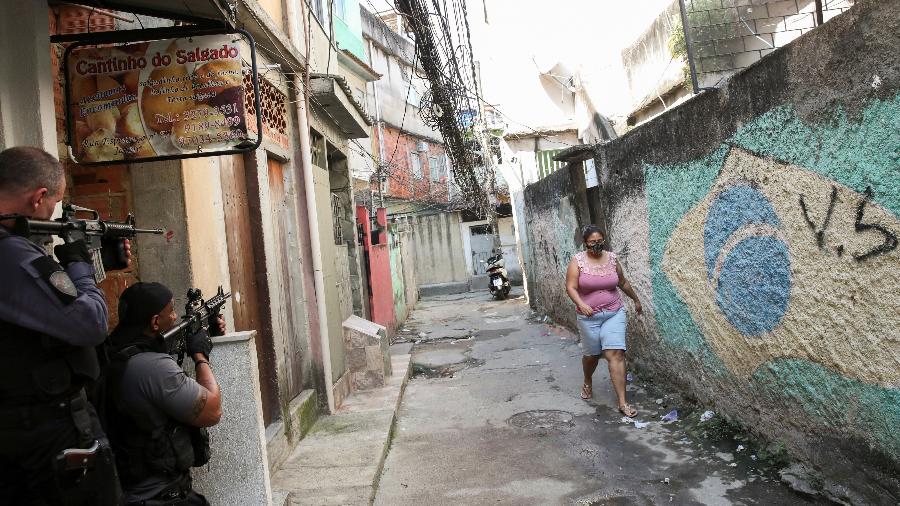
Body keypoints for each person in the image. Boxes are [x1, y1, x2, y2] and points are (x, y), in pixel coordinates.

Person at [0, 146, 123, 504]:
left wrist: (95, 264)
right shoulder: (13, 255)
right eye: (54, 202)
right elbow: (91, 322)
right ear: (39, 198)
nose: (52, 213)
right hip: (42, 430)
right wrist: (80, 264)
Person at [104, 282, 225, 505]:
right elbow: (213, 411)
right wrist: (200, 356)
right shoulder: (152, 368)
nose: (175, 316)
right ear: (154, 322)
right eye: (171, 310)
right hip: (159, 496)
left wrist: (207, 334)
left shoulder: (113, 353)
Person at [565, 225, 643, 417]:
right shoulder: (578, 261)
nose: (597, 245)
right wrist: (581, 304)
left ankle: (623, 403)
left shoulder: (612, 259)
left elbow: (622, 282)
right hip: (589, 316)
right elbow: (571, 287)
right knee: (592, 355)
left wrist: (635, 299)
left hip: (614, 312)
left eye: (600, 241)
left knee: (615, 354)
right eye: (592, 242)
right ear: (585, 243)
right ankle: (587, 380)